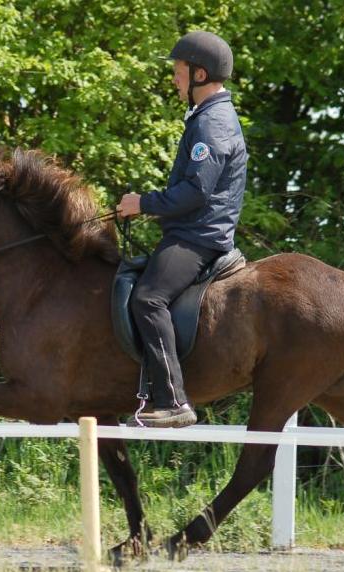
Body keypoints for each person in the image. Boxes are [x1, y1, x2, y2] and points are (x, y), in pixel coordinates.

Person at [117, 30, 247, 428]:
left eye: (178, 70)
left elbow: (195, 191)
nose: (174, 78)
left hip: (198, 238)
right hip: (193, 231)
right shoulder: (206, 118)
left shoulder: (213, 124)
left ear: (200, 74)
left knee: (147, 299)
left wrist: (144, 204)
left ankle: (173, 400)